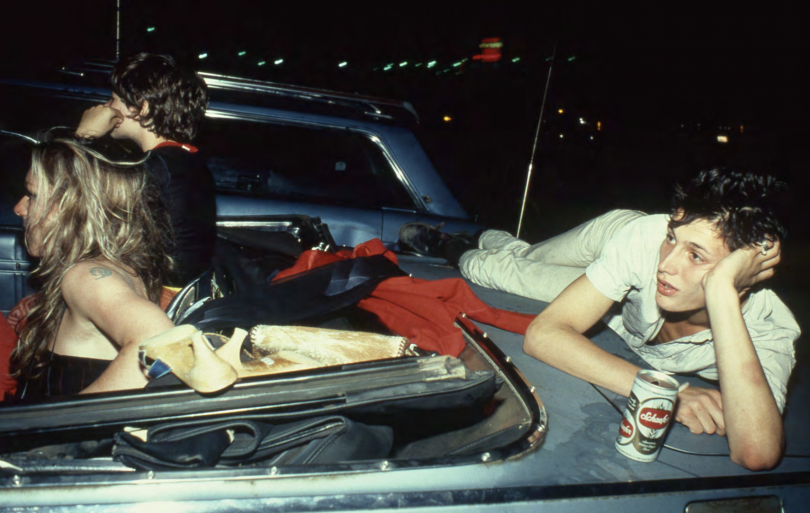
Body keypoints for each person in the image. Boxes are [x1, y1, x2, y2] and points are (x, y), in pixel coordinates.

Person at [400, 169, 799, 470]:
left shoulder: (768, 326)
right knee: (522, 263)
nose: (667, 264)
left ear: (743, 276)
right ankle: (464, 240)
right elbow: (544, 335)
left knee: (506, 272)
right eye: (672, 238)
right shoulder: (647, 240)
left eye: (696, 256)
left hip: (616, 311)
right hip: (616, 235)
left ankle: (484, 247)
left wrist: (722, 292)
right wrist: (666, 395)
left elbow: (757, 452)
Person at [9, 136, 176, 397]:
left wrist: (71, 424)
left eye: (32, 195)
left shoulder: (86, 276)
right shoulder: (111, 266)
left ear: (72, 207)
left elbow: (160, 340)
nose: (19, 207)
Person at [75, 53, 216, 287]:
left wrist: (84, 136)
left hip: (161, 294)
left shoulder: (154, 167)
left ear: (140, 107)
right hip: (184, 288)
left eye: (112, 99)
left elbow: (66, 194)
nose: (106, 107)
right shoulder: (186, 158)